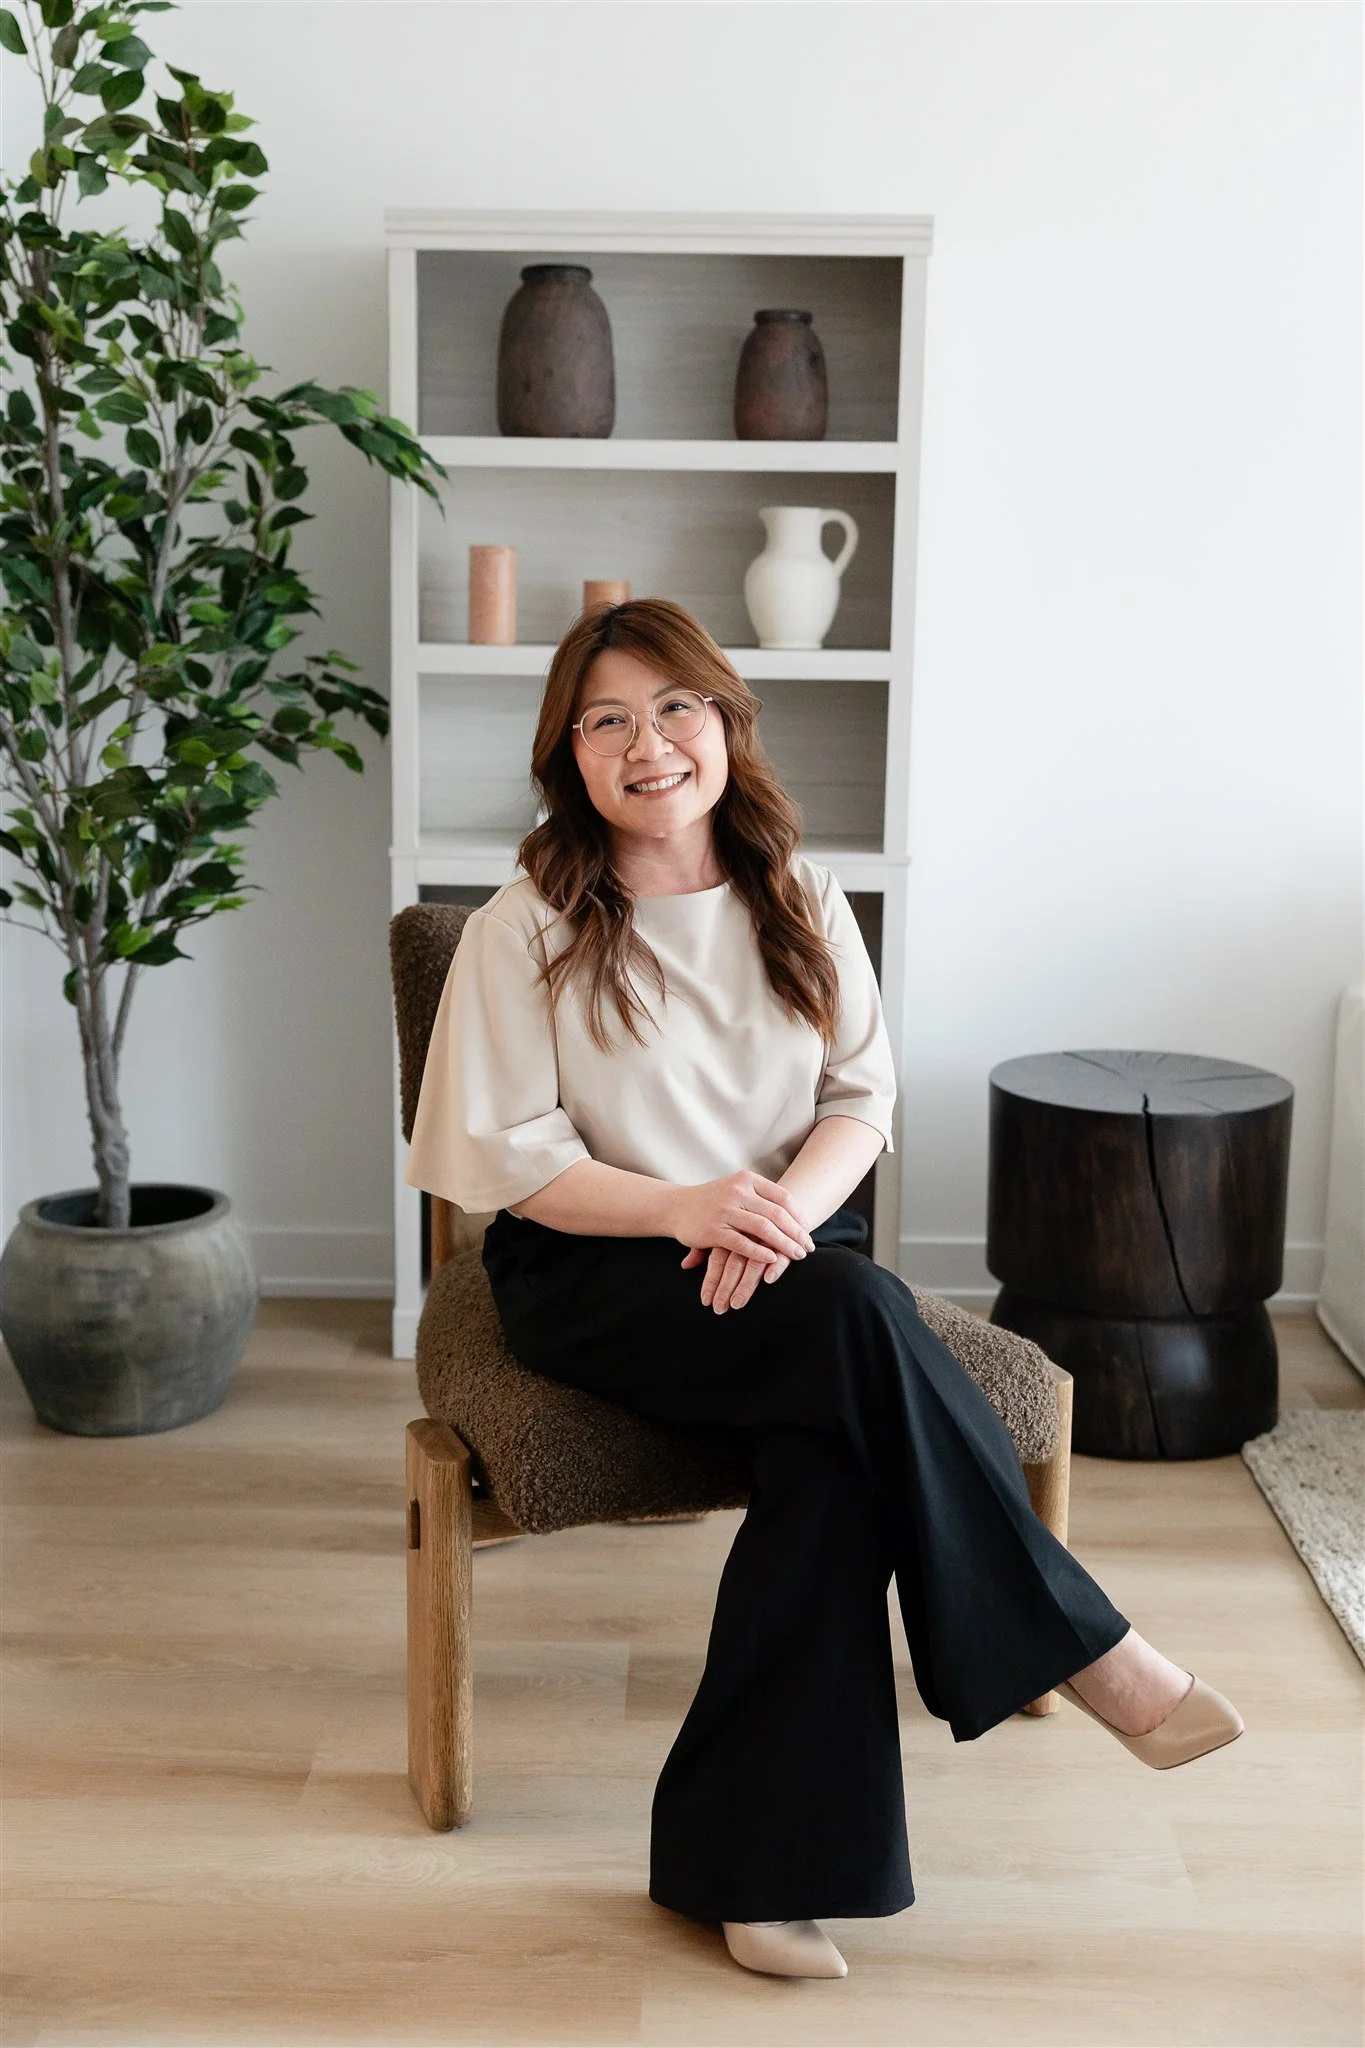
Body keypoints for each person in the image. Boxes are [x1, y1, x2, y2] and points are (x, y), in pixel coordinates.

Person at [404, 598, 1243, 1982]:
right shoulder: (526, 925)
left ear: (727, 724)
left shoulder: (794, 887)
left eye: (675, 707)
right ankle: (1083, 1649)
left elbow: (862, 1097)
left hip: (787, 1253)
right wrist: (691, 1206)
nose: (647, 742)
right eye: (605, 720)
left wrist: (776, 1212)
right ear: (568, 756)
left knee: (836, 1446)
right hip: (599, 1263)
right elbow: (507, 1162)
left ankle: (753, 1871)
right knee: (867, 1320)